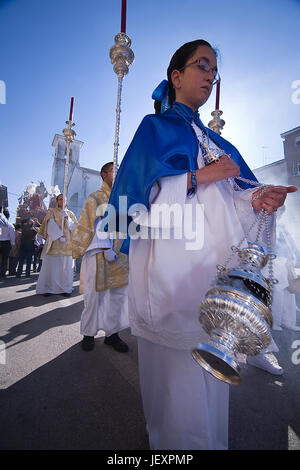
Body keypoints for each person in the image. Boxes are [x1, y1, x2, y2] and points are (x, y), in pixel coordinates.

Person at [106, 40, 297, 450]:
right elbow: (130, 208)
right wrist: (198, 177)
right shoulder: (153, 129)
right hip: (169, 277)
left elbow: (231, 203)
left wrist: (257, 200)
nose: (210, 75)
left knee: (211, 388)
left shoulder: (218, 142)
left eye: (214, 70)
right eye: (202, 65)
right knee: (175, 391)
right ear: (176, 76)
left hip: (214, 281)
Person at [71, 162, 129, 353]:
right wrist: (105, 248)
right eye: (114, 170)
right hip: (99, 253)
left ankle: (112, 334)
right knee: (95, 296)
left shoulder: (123, 199)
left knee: (117, 296)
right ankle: (88, 333)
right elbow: (94, 224)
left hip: (120, 255)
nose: (117, 173)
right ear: (104, 175)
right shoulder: (95, 198)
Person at [36, 194, 77, 296]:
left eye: (64, 199)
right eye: (60, 199)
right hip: (54, 242)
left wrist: (68, 219)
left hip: (67, 245)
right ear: (57, 201)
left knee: (65, 268)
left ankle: (65, 288)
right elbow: (49, 223)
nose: (62, 201)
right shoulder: (51, 211)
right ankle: (48, 288)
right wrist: (58, 235)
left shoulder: (70, 213)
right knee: (52, 267)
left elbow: (76, 227)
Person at [0, 209, 15, 279]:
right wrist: (12, 243)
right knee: (5, 259)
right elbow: (12, 235)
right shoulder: (9, 224)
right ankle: (2, 274)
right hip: (6, 243)